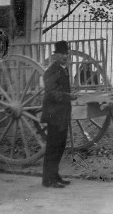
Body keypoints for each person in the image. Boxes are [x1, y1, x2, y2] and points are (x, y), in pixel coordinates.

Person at [41, 40, 77, 188]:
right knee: (53, 147)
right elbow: (53, 93)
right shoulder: (51, 70)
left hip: (61, 114)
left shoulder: (63, 69)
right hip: (53, 114)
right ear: (55, 55)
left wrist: (69, 95)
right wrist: (69, 96)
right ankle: (48, 179)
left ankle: (54, 175)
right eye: (61, 54)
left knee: (60, 146)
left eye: (66, 53)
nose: (64, 56)